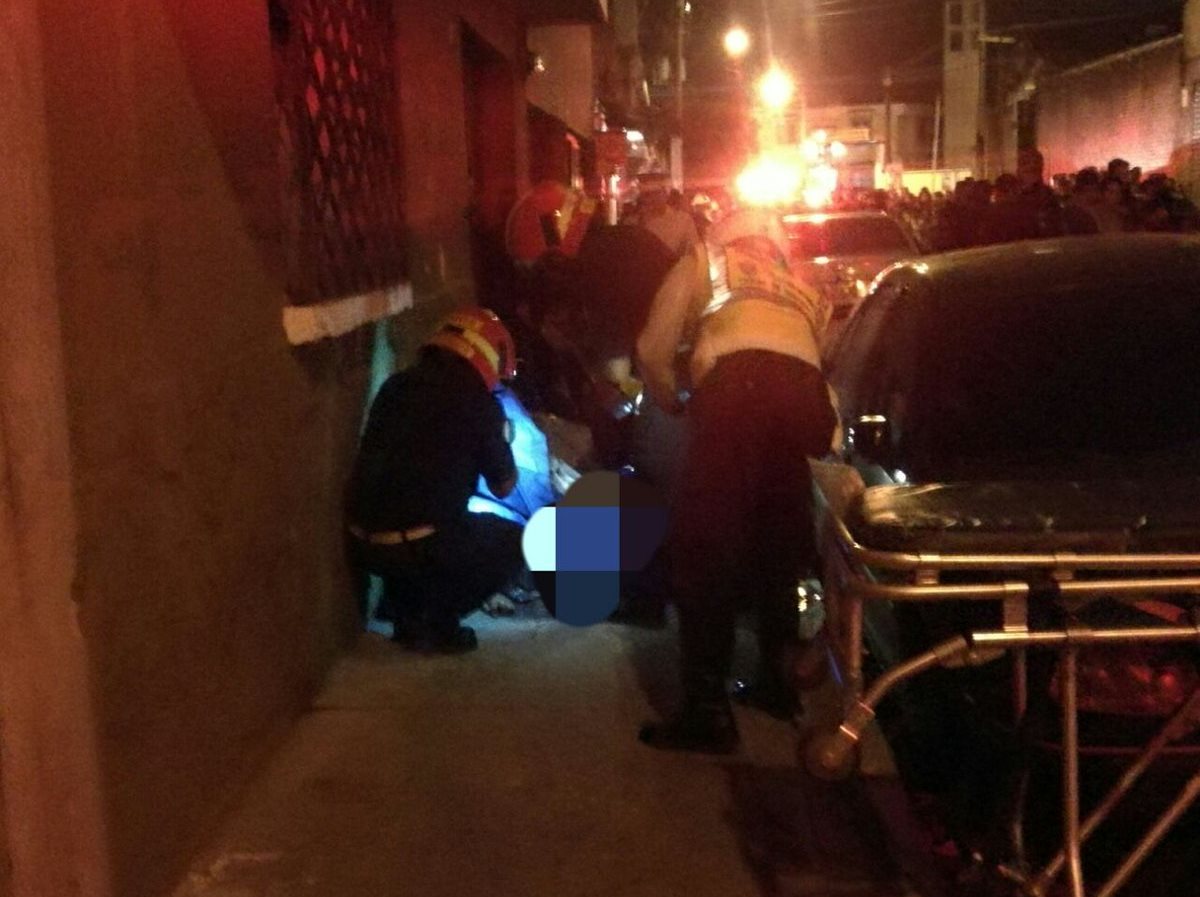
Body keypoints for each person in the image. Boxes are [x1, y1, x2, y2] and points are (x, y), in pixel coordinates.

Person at [635, 208, 839, 753]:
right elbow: (818, 362)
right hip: (806, 402)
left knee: (707, 549)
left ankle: (707, 713)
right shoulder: (799, 286)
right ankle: (779, 685)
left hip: (737, 391)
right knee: (778, 546)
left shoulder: (704, 261)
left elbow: (652, 349)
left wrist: (671, 401)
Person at [345, 308, 524, 653]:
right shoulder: (479, 403)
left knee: (421, 517)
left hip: (364, 547)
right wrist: (502, 438)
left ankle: (405, 612)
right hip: (417, 548)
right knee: (512, 539)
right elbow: (504, 485)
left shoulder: (396, 385)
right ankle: (439, 623)